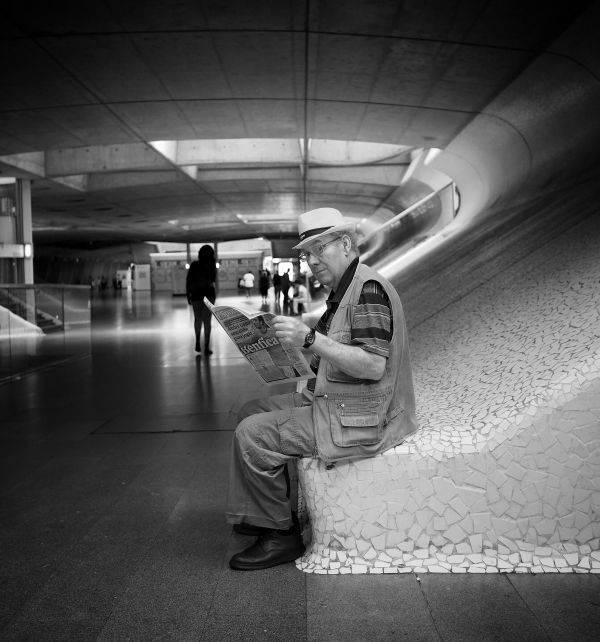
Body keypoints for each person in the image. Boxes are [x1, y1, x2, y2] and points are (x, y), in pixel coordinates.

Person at [226, 207, 418, 571]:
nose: (311, 261)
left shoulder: (368, 291)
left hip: (361, 418)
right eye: (305, 254)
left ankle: (280, 536)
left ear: (345, 244)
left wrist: (310, 338)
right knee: (249, 411)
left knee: (252, 434)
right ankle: (266, 511)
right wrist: (285, 352)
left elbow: (373, 364)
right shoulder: (343, 292)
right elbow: (335, 356)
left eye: (319, 249)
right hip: (338, 401)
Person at [186, 245, 217, 354]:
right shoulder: (211, 265)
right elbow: (212, 280)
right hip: (208, 295)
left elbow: (188, 280)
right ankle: (207, 347)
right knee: (207, 321)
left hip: (196, 295)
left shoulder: (194, 265)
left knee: (197, 319)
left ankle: (198, 341)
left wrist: (188, 295)